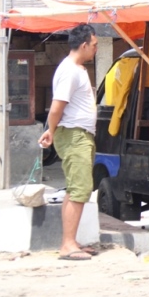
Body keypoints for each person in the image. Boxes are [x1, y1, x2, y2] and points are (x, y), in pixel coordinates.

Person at [38, 24, 99, 261]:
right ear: (83, 45)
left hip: (80, 134)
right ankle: (67, 244)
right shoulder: (70, 71)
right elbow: (56, 107)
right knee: (80, 188)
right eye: (94, 45)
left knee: (76, 188)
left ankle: (71, 240)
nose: (95, 49)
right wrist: (50, 131)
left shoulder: (78, 68)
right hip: (74, 134)